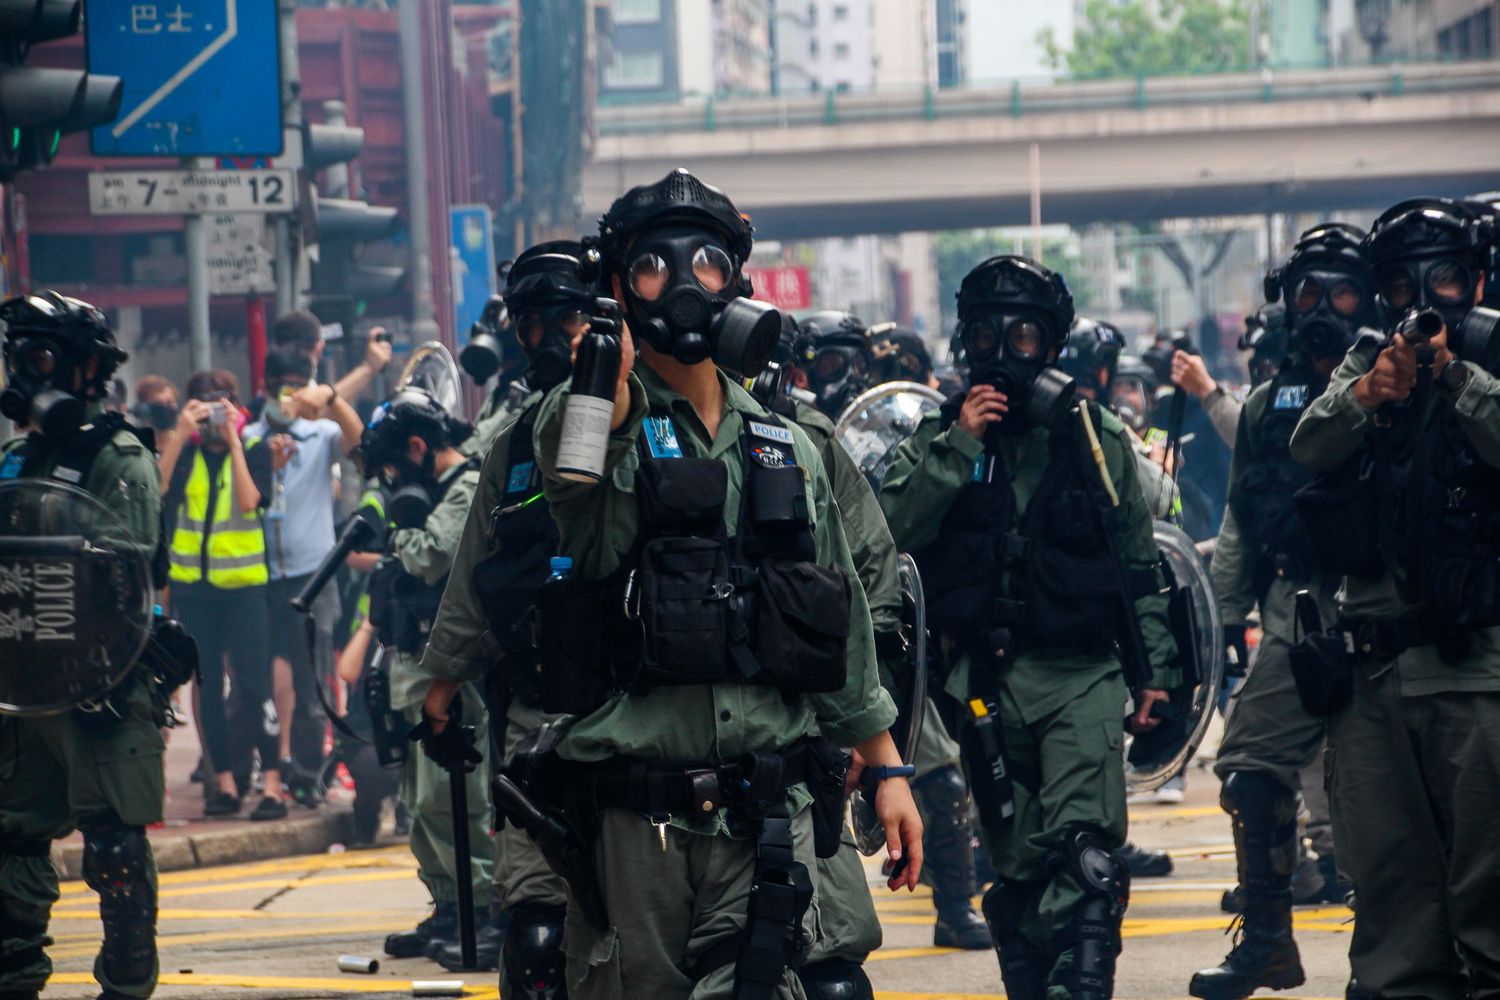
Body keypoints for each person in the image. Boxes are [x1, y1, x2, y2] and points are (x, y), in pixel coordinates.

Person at [445, 169, 923, 1000]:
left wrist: (887, 770)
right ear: (621, 289)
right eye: (653, 267)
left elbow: (837, 615)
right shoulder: (580, 417)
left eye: (706, 262)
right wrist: (612, 399)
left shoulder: (785, 442)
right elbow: (587, 539)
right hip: (636, 821)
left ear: (733, 280)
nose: (683, 285)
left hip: (761, 805)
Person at [879, 256, 1178, 1000]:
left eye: (1022, 335)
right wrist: (959, 445)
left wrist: (1157, 674)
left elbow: (1139, 560)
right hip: (980, 687)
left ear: (1049, 343)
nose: (1005, 352)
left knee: (1086, 860)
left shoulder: (1093, 435)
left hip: (1078, 674)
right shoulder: (944, 434)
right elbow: (884, 530)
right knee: (1016, 872)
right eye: (986, 335)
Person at [1290, 198, 1500, 1000]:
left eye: (1443, 276)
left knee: (1490, 896)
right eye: (1405, 281)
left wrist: (1454, 376)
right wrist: (1369, 394)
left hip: (1477, 671)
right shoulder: (1369, 360)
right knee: (1392, 904)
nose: (1424, 296)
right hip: (1375, 680)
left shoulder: (1489, 349)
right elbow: (1309, 444)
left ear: (1475, 277)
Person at [1187, 223, 1374, 1000]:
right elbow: (1241, 519)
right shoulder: (1268, 405)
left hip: (1388, 612)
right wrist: (1229, 621)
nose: (1323, 308)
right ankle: (1267, 942)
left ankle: (1399, 958)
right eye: (1308, 293)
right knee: (1251, 765)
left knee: (1392, 794)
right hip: (1295, 613)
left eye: (1340, 292)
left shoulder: (1397, 384)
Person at [774, 318, 990, 965]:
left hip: (872, 638)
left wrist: (881, 647)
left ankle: (955, 906)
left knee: (941, 777)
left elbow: (876, 544)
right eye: (821, 362)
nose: (835, 372)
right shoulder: (787, 429)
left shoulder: (883, 425)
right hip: (784, 659)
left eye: (845, 358)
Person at [418, 239, 601, 985]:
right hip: (536, 711)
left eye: (570, 321)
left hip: (654, 716)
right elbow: (473, 568)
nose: (553, 341)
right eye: (534, 326)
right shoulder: (513, 441)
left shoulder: (668, 420)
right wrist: (442, 685)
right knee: (536, 925)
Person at [0, 291, 165, 1000]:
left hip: (98, 678)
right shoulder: (15, 457)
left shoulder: (119, 458)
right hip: (21, 680)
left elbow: (128, 576)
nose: (23, 373)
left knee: (114, 843)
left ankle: (125, 985)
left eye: (37, 357)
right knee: (11, 838)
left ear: (86, 367)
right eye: (16, 357)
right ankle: (13, 974)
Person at [359, 386, 495, 962]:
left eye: (394, 464)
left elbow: (428, 556)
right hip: (414, 662)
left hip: (450, 668)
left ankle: (485, 910)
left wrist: (393, 534)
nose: (392, 479)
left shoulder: (465, 486)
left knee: (456, 796)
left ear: (418, 446)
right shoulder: (431, 490)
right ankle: (448, 905)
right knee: (422, 798)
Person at [158, 369, 286, 821]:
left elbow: (251, 501)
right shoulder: (186, 452)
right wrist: (179, 433)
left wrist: (234, 439)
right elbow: (156, 489)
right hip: (194, 592)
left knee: (256, 687)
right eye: (204, 403)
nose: (213, 412)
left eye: (221, 403)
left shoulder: (254, 450)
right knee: (209, 688)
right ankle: (226, 784)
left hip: (245, 591)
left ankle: (272, 784)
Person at [243, 346, 365, 802]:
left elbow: (359, 442)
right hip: (258, 574)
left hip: (313, 574)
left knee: (312, 679)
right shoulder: (250, 437)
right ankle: (259, 770)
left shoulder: (320, 434)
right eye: (279, 387)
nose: (286, 396)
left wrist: (330, 398)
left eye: (296, 386)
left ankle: (312, 774)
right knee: (254, 684)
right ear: (266, 388)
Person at [795, 310, 875, 419]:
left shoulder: (868, 431)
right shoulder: (790, 433)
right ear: (800, 378)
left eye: (860, 365)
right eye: (833, 367)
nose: (852, 376)